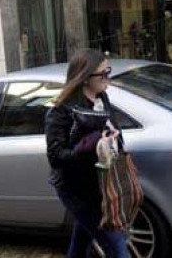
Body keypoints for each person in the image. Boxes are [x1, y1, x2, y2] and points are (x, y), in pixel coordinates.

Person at [45, 49, 129, 258]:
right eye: (102, 73)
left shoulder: (102, 97)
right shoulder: (60, 110)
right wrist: (91, 144)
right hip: (76, 190)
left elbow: (110, 129)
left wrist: (113, 139)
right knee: (116, 246)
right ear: (84, 78)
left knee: (82, 238)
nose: (108, 77)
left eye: (108, 71)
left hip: (100, 184)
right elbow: (56, 157)